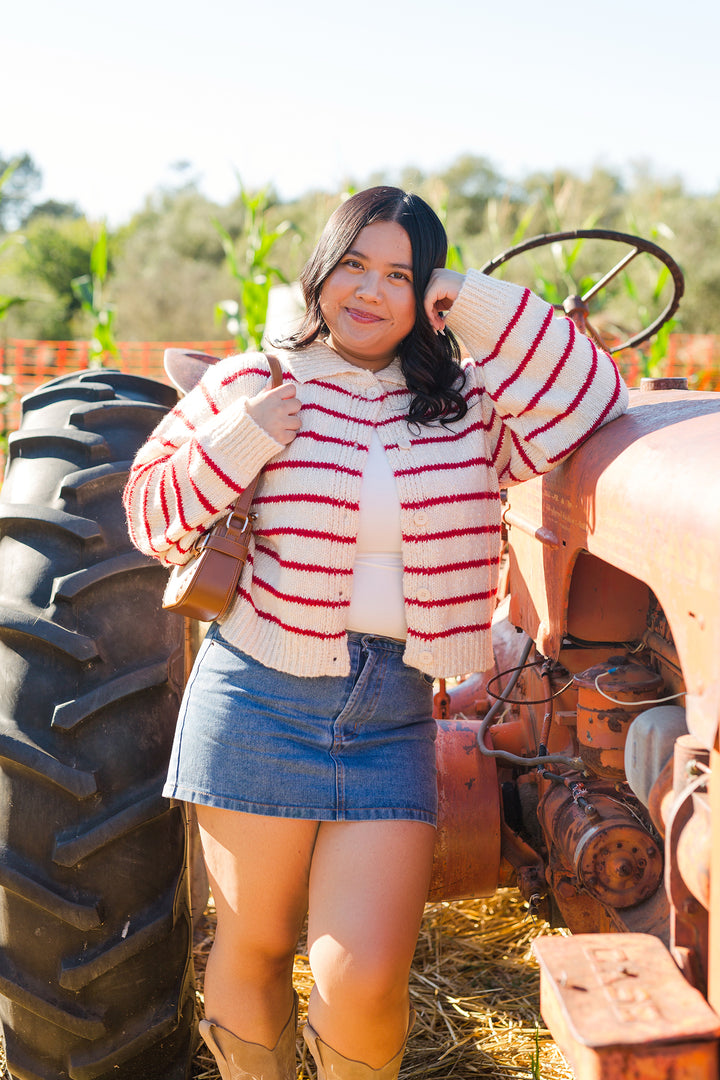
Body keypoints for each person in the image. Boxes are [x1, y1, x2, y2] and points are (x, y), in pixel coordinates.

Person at [123, 186, 628, 1080]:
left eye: (400, 274)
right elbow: (149, 518)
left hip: (393, 709)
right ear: (322, 267)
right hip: (257, 698)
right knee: (254, 948)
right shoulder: (255, 381)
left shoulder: (466, 410)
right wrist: (243, 440)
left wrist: (469, 298)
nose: (371, 291)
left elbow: (590, 397)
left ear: (424, 292)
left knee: (362, 975)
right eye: (355, 264)